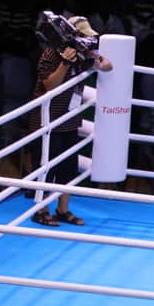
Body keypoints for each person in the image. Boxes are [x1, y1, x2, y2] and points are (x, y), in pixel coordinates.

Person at [29, 15, 113, 226]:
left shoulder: (83, 56)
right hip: (47, 122)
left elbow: (108, 66)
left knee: (68, 168)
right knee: (46, 167)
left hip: (69, 120)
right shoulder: (51, 53)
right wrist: (65, 64)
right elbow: (49, 85)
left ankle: (62, 210)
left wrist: (94, 56)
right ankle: (41, 211)